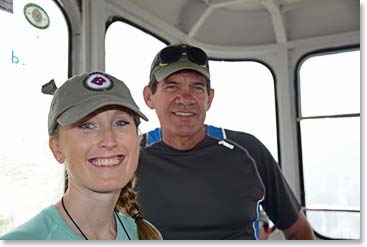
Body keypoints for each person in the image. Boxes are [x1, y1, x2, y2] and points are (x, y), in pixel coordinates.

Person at [136, 44, 315, 240]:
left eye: (197, 87)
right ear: (149, 97)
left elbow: (298, 231)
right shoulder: (131, 156)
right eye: (172, 86)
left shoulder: (248, 150)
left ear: (209, 98)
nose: (185, 98)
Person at [1, 72, 161, 240]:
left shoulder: (147, 236)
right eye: (87, 125)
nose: (109, 140)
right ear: (57, 148)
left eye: (121, 123)